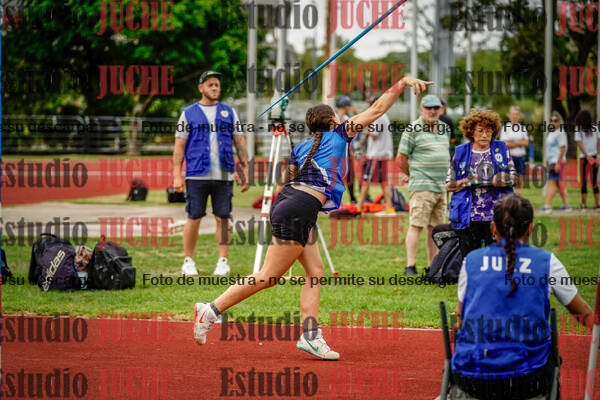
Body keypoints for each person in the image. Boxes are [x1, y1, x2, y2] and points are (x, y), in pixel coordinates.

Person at [192, 77, 433, 359]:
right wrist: (401, 83)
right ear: (334, 120)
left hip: (293, 205)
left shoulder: (301, 148)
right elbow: (377, 109)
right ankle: (210, 310)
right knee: (269, 276)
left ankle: (310, 335)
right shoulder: (340, 134)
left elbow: (287, 181)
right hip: (298, 208)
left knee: (315, 271)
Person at [448, 194, 593, 399]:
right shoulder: (547, 262)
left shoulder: (471, 261)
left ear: (493, 228)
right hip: (528, 379)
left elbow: (459, 320)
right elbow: (584, 313)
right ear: (530, 228)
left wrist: (458, 327)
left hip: (473, 379)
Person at [173, 71, 250, 276]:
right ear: (201, 88)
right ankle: (188, 260)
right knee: (194, 217)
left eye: (217, 85)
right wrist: (177, 175)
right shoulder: (188, 113)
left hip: (224, 175)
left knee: (222, 218)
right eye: (210, 85)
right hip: (196, 174)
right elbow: (179, 146)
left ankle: (223, 261)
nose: (215, 88)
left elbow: (240, 142)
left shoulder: (229, 112)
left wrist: (245, 169)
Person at [446, 109, 518, 258]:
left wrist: (503, 179)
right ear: (471, 132)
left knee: (498, 258)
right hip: (468, 216)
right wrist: (466, 181)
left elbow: (514, 179)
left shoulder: (501, 149)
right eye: (480, 131)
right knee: (470, 259)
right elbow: (449, 185)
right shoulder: (461, 152)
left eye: (488, 131)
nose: (485, 135)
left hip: (497, 215)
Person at [397, 94, 450, 276]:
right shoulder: (412, 129)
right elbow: (401, 158)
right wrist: (413, 175)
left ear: (441, 109)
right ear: (421, 109)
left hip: (441, 187)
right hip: (422, 186)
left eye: (436, 108)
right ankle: (410, 266)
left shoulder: (444, 128)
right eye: (429, 108)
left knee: (435, 229)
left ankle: (432, 267)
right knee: (416, 225)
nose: (433, 111)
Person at [357, 95, 395, 215]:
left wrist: (366, 123)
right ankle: (389, 207)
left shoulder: (377, 117)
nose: (369, 107)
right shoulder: (384, 116)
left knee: (366, 181)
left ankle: (359, 207)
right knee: (384, 182)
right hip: (381, 154)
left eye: (371, 104)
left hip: (376, 154)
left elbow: (374, 135)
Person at [540, 111, 571, 212]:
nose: (553, 122)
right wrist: (547, 162)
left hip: (557, 162)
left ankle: (547, 205)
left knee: (551, 183)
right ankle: (566, 205)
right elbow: (549, 150)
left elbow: (563, 148)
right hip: (552, 162)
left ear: (560, 122)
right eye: (551, 120)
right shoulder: (552, 133)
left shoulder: (560, 132)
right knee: (559, 184)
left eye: (555, 120)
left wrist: (558, 163)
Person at [499, 106, 529, 195]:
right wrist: (520, 143)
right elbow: (505, 144)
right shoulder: (505, 128)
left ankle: (519, 199)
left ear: (519, 116)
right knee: (509, 180)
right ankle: (509, 199)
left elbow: (526, 142)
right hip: (509, 158)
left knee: (519, 182)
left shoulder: (522, 128)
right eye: (513, 114)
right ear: (509, 115)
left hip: (520, 158)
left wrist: (512, 143)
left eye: (517, 114)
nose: (515, 116)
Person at [574, 109, 600, 209]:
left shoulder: (578, 129)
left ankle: (584, 204)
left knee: (584, 181)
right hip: (594, 157)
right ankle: (597, 204)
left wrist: (587, 156)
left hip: (584, 158)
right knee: (594, 181)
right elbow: (599, 143)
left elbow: (579, 144)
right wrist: (598, 156)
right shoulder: (595, 128)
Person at [336, 96, 358, 203]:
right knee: (348, 175)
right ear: (345, 106)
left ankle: (350, 198)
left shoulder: (335, 116)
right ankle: (352, 198)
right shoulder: (343, 118)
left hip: (336, 150)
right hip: (343, 150)